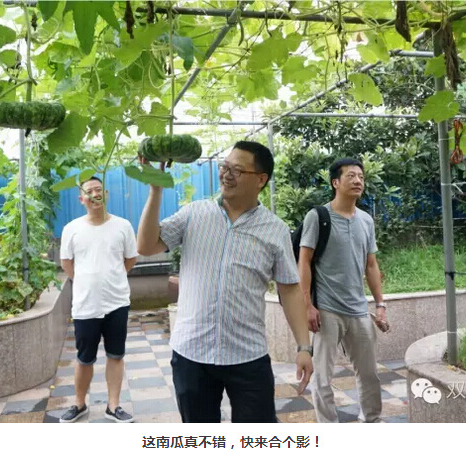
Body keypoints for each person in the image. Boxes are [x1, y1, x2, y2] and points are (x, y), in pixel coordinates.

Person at [137, 141, 313, 423]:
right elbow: (146, 246)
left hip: (248, 355)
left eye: (237, 170)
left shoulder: (275, 229)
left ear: (261, 180)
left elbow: (289, 289)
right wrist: (155, 191)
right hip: (192, 353)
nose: (226, 175)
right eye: (224, 167)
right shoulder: (194, 213)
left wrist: (304, 347)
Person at [298, 158, 388, 423]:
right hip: (327, 310)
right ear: (335, 182)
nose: (358, 180)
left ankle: (372, 419)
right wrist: (307, 305)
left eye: (361, 176)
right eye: (351, 176)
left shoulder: (366, 221)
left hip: (358, 309)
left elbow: (371, 265)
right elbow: (304, 261)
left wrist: (380, 305)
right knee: (323, 377)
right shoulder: (318, 217)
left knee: (369, 373)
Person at [59, 176, 138, 423]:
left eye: (99, 189)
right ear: (81, 199)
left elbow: (131, 258)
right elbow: (66, 263)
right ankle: (79, 403)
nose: (95, 194)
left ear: (106, 194)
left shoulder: (123, 226)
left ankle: (113, 406)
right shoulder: (71, 228)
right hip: (86, 304)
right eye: (89, 191)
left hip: (117, 302)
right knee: (84, 358)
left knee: (116, 355)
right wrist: (86, 281)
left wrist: (113, 278)